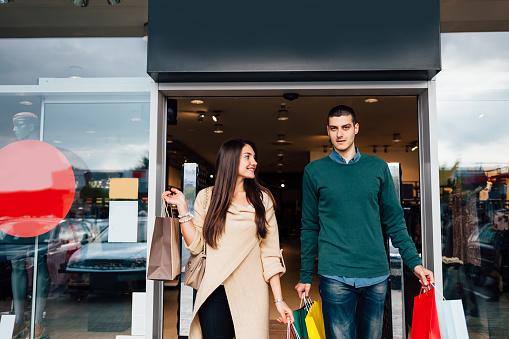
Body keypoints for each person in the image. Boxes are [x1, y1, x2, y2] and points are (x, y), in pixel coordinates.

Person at [295, 105, 434, 339]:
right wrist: (305, 274)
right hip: (335, 273)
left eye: (345, 127)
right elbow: (309, 226)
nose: (340, 134)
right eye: (334, 128)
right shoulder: (314, 171)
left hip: (375, 274)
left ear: (356, 129)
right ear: (328, 131)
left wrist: (415, 263)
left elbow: (395, 221)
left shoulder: (377, 168)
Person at [162, 139, 294, 339]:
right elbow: (196, 245)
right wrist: (182, 210)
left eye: (254, 157)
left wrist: (279, 300)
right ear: (230, 161)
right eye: (247, 157)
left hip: (252, 291)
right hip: (214, 289)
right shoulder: (207, 198)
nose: (254, 162)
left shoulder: (262, 199)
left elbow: (270, 253)